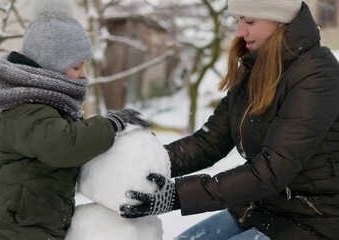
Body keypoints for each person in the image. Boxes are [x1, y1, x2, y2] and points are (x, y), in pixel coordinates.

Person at [120, 0, 339, 239]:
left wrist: (177, 195)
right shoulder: (256, 65)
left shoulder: (318, 74)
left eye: (250, 21)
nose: (240, 31)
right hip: (256, 208)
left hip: (311, 221)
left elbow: (273, 170)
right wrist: (147, 164)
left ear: (280, 19)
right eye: (238, 20)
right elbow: (210, 142)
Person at [0, 0, 150, 240]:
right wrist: (110, 125)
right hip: (22, 224)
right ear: (50, 67)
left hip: (35, 216)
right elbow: (64, 145)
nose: (84, 75)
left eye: (85, 66)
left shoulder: (46, 105)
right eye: (77, 67)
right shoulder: (28, 109)